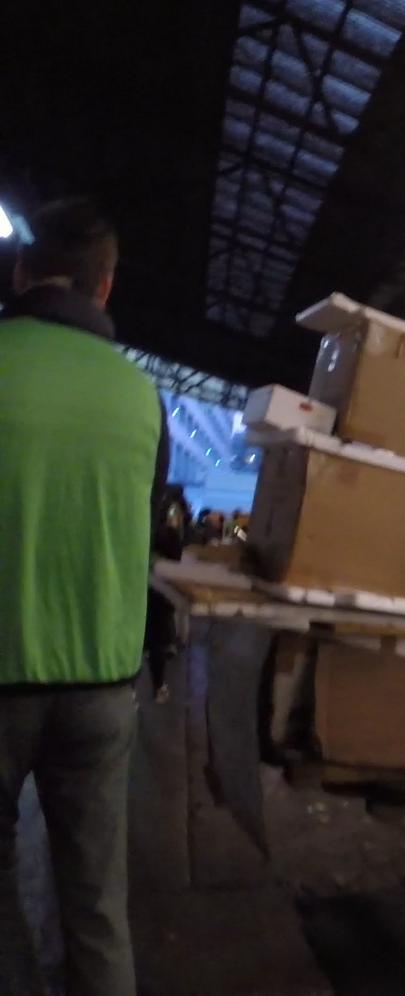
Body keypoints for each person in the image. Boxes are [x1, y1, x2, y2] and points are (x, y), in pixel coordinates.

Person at [0, 198, 166, 996]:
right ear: (105, 289)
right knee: (98, 908)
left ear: (23, 274)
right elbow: (149, 529)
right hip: (102, 685)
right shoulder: (142, 396)